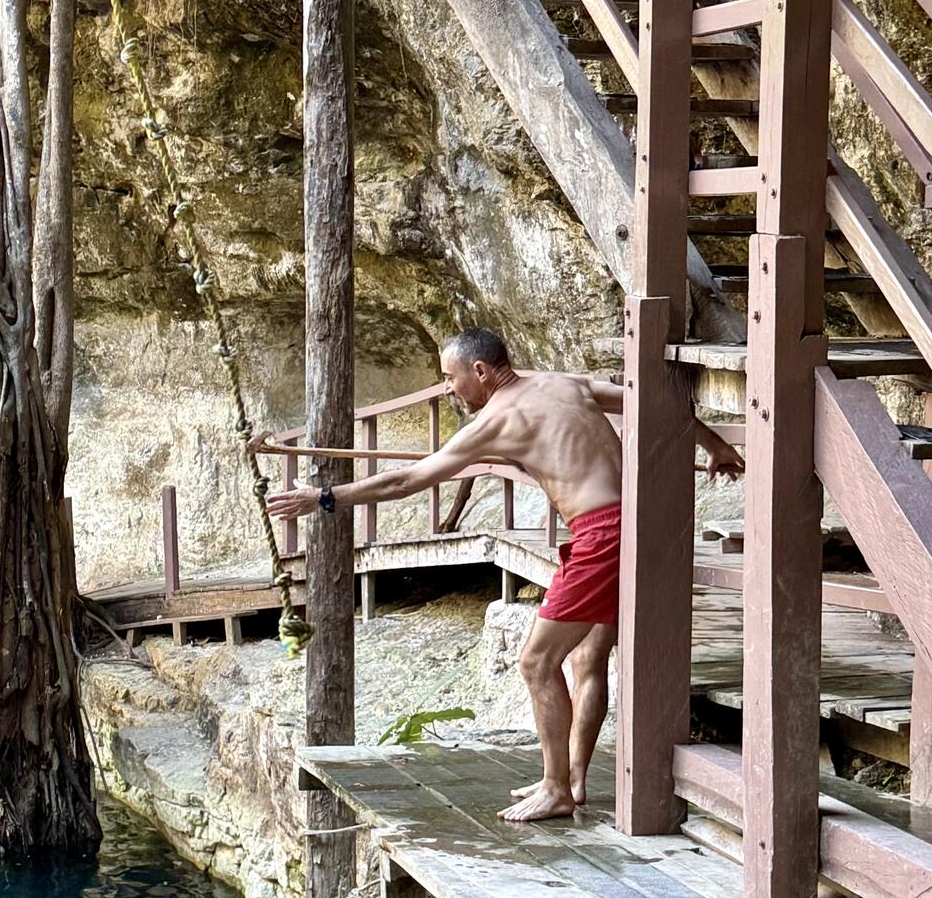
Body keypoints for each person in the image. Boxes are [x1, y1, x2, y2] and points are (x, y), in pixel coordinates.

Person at [265, 328, 743, 823]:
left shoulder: (496, 420)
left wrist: (325, 498)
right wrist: (713, 444)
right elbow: (654, 402)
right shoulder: (564, 384)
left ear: (480, 371)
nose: (447, 388)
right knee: (588, 655)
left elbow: (407, 480)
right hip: (640, 523)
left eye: (450, 378)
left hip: (603, 535)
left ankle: (557, 789)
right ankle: (571, 778)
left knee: (537, 662)